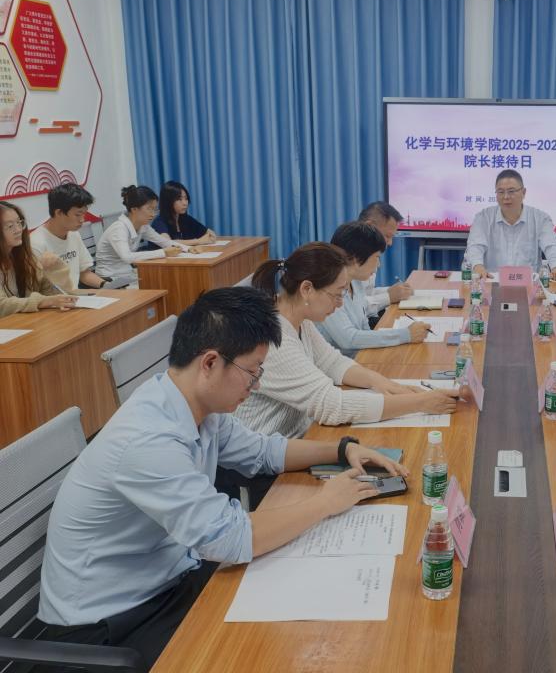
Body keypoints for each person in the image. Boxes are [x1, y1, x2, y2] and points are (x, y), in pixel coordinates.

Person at [38, 287, 409, 669]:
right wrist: (325, 503)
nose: (257, 385)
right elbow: (229, 538)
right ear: (211, 363)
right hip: (108, 628)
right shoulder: (148, 440)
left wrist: (341, 450)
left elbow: (264, 452)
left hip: (170, 579)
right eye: (252, 371)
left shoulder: (194, 404)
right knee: (257, 654)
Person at [234, 242, 457, 438]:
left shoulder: (298, 317)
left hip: (299, 435)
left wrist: (384, 383)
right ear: (307, 289)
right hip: (269, 454)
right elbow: (331, 405)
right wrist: (420, 403)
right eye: (337, 294)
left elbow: (332, 362)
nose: (341, 303)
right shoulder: (273, 338)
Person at [319, 221, 430, 356]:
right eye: (377, 257)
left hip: (359, 358)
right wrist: (406, 334)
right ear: (355, 259)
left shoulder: (356, 283)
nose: (379, 264)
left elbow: (364, 328)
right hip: (338, 365)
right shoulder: (327, 289)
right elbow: (349, 339)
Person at [465, 170, 556, 278]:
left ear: (523, 192)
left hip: (529, 283)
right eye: (500, 192)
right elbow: (474, 247)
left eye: (511, 191)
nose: (506, 197)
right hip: (492, 281)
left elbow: (552, 246)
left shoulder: (540, 219)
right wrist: (477, 267)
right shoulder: (483, 218)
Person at [95, 185, 187, 286]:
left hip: (126, 274)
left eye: (154, 209)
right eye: (149, 209)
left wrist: (188, 249)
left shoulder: (143, 226)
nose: (153, 214)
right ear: (134, 209)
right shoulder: (119, 228)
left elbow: (164, 242)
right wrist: (163, 252)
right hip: (109, 279)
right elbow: (127, 257)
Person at [0, 200, 77, 317]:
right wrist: (42, 301)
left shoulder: (26, 257)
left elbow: (54, 294)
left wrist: (56, 269)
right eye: (10, 226)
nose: (18, 230)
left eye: (19, 222)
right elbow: (2, 305)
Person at [31, 182, 107, 292]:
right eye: (77, 214)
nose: (82, 220)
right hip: (53, 300)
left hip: (76, 297)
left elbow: (84, 274)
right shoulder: (35, 243)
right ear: (59, 213)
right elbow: (35, 290)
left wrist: (106, 285)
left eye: (84, 214)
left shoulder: (73, 234)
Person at [357, 201, 413, 317]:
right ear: (369, 227)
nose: (390, 243)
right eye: (387, 236)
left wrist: (394, 291)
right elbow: (355, 308)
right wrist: (389, 296)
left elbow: (366, 293)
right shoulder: (350, 258)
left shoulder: (370, 254)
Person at [151, 180, 216, 245]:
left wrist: (209, 237)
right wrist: (198, 241)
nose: (185, 203)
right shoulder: (159, 222)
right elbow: (167, 243)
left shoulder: (186, 219)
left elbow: (210, 234)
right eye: (179, 199)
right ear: (168, 201)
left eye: (186, 198)